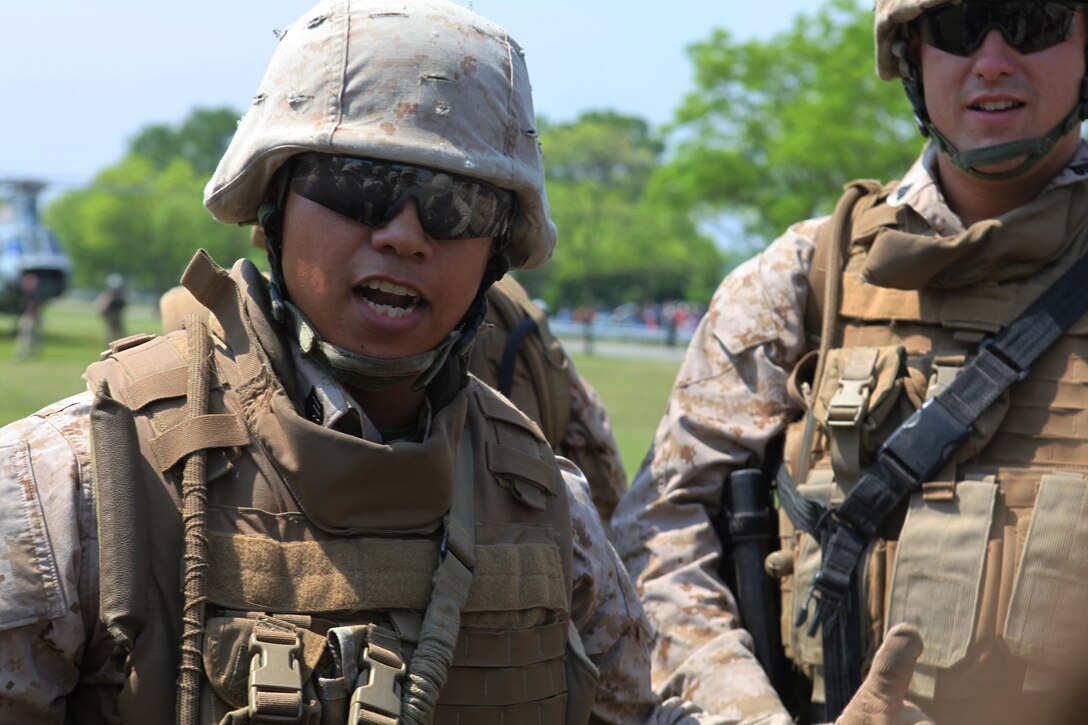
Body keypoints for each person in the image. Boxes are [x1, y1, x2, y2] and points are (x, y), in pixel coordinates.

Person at [0, 2, 663, 722]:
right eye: (358, 184)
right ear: (274, 202)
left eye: (456, 204)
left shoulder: (544, 502)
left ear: (498, 247)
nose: (405, 235)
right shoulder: (75, 484)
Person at [612, 2, 1088, 724]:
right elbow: (659, 534)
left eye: (1032, 22)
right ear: (911, 56)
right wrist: (748, 715)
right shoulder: (805, 277)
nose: (993, 59)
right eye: (960, 31)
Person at [96, 272, 127, 345]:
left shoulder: (120, 296)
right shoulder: (108, 296)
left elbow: (122, 307)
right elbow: (102, 308)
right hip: (109, 315)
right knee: (110, 331)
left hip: (116, 315)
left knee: (119, 332)